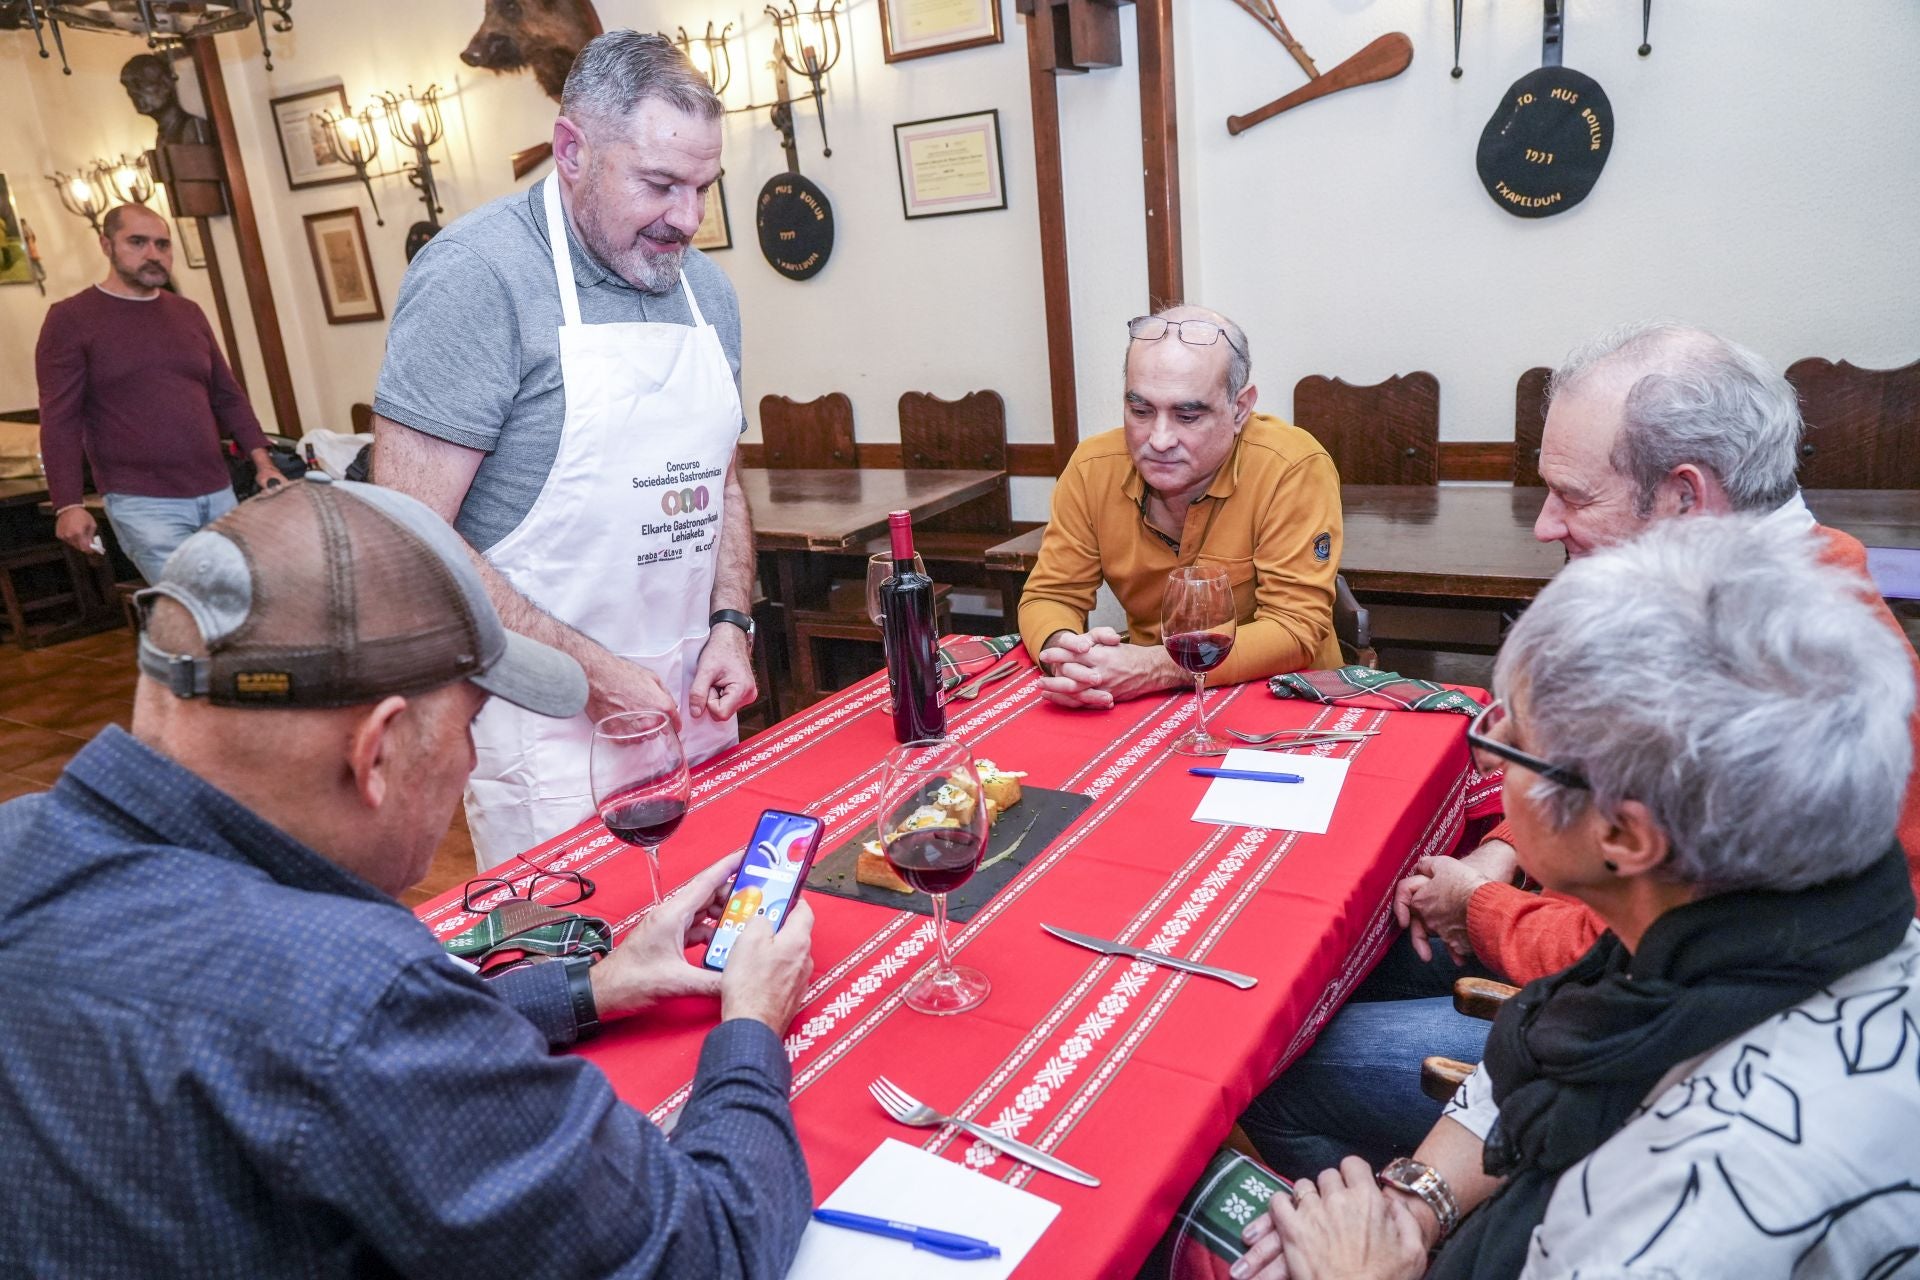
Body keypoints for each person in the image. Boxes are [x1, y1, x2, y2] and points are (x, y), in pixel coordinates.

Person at [0, 475, 818, 1277]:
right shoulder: (355, 996)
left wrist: (591, 986)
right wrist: (751, 1024)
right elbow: (709, 1245)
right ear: (377, 753)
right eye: (471, 725)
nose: (468, 763)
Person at [1238, 320, 1920, 1178]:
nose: (1545, 525)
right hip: (1636, 980)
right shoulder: (1741, 591)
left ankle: (1430, 1221)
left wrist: (1481, 909)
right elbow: (1602, 798)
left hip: (1675, 1053)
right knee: (1338, 952)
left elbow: (1635, 958)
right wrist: (1500, 854)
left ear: (1684, 497)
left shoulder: (1777, 670)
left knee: (1273, 1066)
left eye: (1573, 495)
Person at [1234, 516, 1920, 1280]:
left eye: (1514, 742)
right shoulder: (1737, 919)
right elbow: (1554, 1046)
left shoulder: (1697, 1201)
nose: (1487, 753)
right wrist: (1419, 1202)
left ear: (1624, 835)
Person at [372, 30, 757, 868]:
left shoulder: (708, 294)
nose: (688, 219)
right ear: (572, 151)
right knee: (588, 942)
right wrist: (588, 674)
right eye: (659, 184)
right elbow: (409, 537)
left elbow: (723, 485)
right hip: (546, 728)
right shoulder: (479, 278)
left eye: (703, 187)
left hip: (694, 707)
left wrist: (732, 623)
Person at [1018, 305, 1342, 709]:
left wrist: (1154, 667)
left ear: (1240, 409)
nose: (1159, 439)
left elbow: (1295, 628)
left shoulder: (1291, 467)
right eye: (1140, 411)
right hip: (1150, 699)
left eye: (1187, 416)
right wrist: (1066, 654)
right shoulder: (1092, 467)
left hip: (1283, 699)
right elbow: (1050, 595)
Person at [35, 202, 285, 583]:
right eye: (137, 242)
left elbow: (228, 394)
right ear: (106, 245)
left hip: (218, 489)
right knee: (193, 605)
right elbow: (59, 419)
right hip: (143, 501)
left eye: (162, 244)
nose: (153, 254)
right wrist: (67, 504)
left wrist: (264, 463)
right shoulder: (71, 318)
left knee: (244, 599)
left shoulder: (188, 313)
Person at [119, 52, 213, 147]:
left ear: (166, 84)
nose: (132, 92)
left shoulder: (194, 128)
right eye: (128, 86)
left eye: (140, 84)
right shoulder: (163, 135)